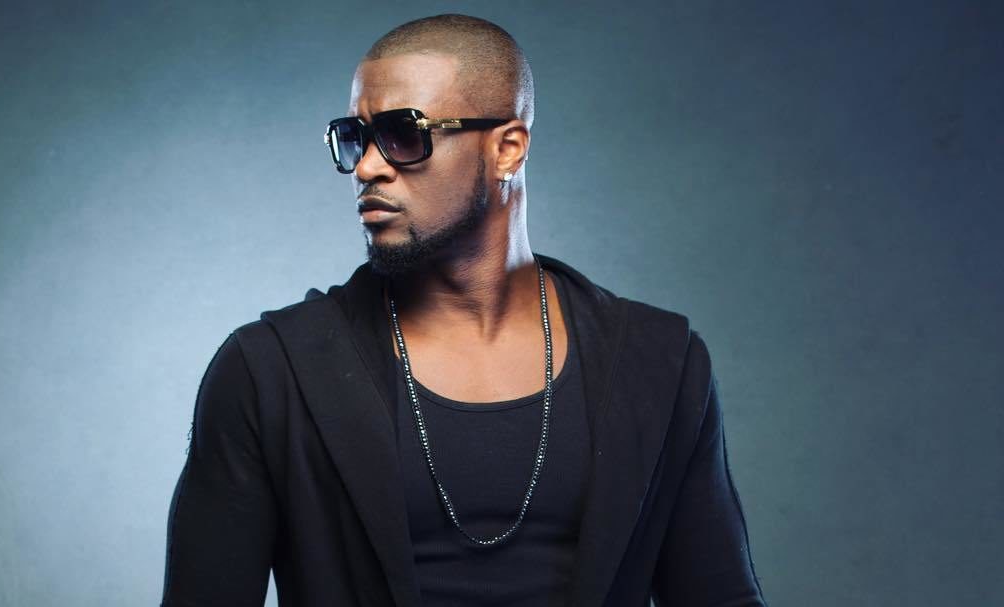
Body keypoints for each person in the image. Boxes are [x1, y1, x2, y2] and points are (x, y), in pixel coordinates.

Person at [160, 13, 767, 607]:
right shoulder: (269, 370)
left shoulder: (658, 360)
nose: (367, 167)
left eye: (404, 135)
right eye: (355, 138)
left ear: (507, 149)